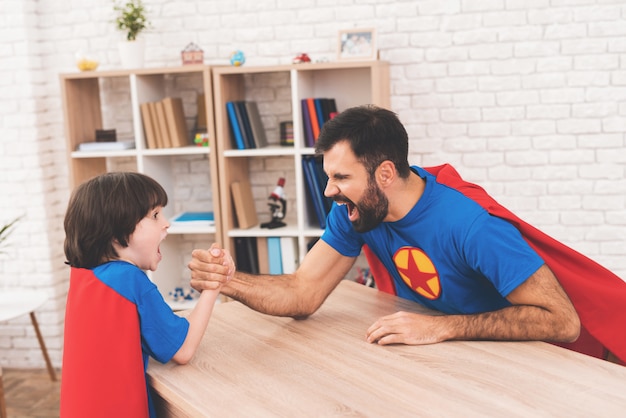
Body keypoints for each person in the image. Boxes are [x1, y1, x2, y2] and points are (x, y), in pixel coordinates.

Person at [188, 104, 588, 350]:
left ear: (384, 174)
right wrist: (229, 280)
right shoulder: (359, 213)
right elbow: (303, 293)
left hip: (515, 361)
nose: (329, 191)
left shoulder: (471, 226)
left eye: (341, 177)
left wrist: (442, 328)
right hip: (446, 356)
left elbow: (562, 321)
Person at [61, 172, 221, 418]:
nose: (166, 223)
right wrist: (213, 285)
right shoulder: (129, 280)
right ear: (116, 232)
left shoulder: (83, 277)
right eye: (155, 215)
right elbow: (183, 349)